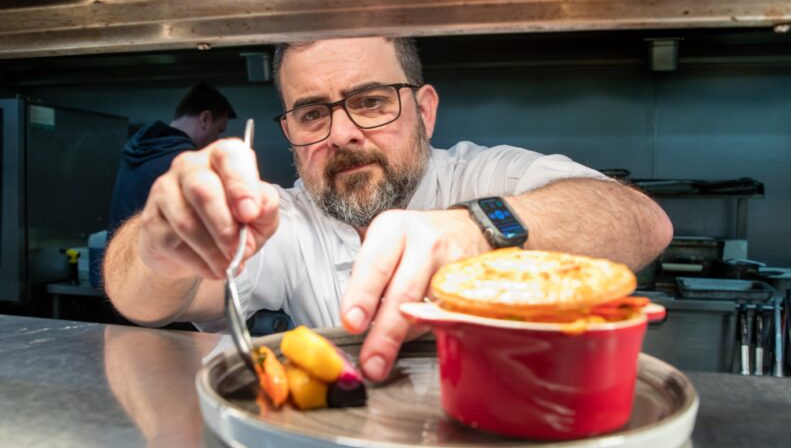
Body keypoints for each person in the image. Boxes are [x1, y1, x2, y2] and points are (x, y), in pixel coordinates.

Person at [104, 37, 673, 381]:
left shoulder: (481, 175)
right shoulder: (285, 219)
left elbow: (642, 221)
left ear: (424, 112)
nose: (343, 134)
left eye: (371, 101)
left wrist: (477, 229)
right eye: (311, 114)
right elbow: (145, 302)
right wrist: (157, 245)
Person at [107, 82, 237, 238]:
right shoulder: (186, 161)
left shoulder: (139, 147)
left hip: (117, 256)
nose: (215, 140)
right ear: (205, 119)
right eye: (218, 132)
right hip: (153, 260)